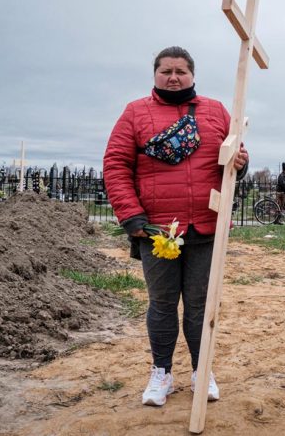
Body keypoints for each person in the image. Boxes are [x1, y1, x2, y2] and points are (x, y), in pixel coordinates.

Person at [103, 46, 248, 407]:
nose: (173, 77)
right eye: (166, 70)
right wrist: (131, 216)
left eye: (180, 71)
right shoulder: (135, 112)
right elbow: (116, 165)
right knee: (163, 304)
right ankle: (162, 373)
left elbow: (232, 158)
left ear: (192, 75)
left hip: (205, 227)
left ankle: (202, 371)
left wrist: (241, 163)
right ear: (155, 74)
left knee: (200, 305)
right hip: (157, 231)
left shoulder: (215, 111)